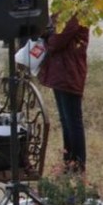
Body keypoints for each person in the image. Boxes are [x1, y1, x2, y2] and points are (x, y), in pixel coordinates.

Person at [40, 13, 89, 170]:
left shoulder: (73, 13)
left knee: (72, 121)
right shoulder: (64, 10)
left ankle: (77, 164)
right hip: (61, 72)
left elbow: (56, 41)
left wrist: (48, 36)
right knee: (66, 120)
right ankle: (69, 161)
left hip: (69, 72)